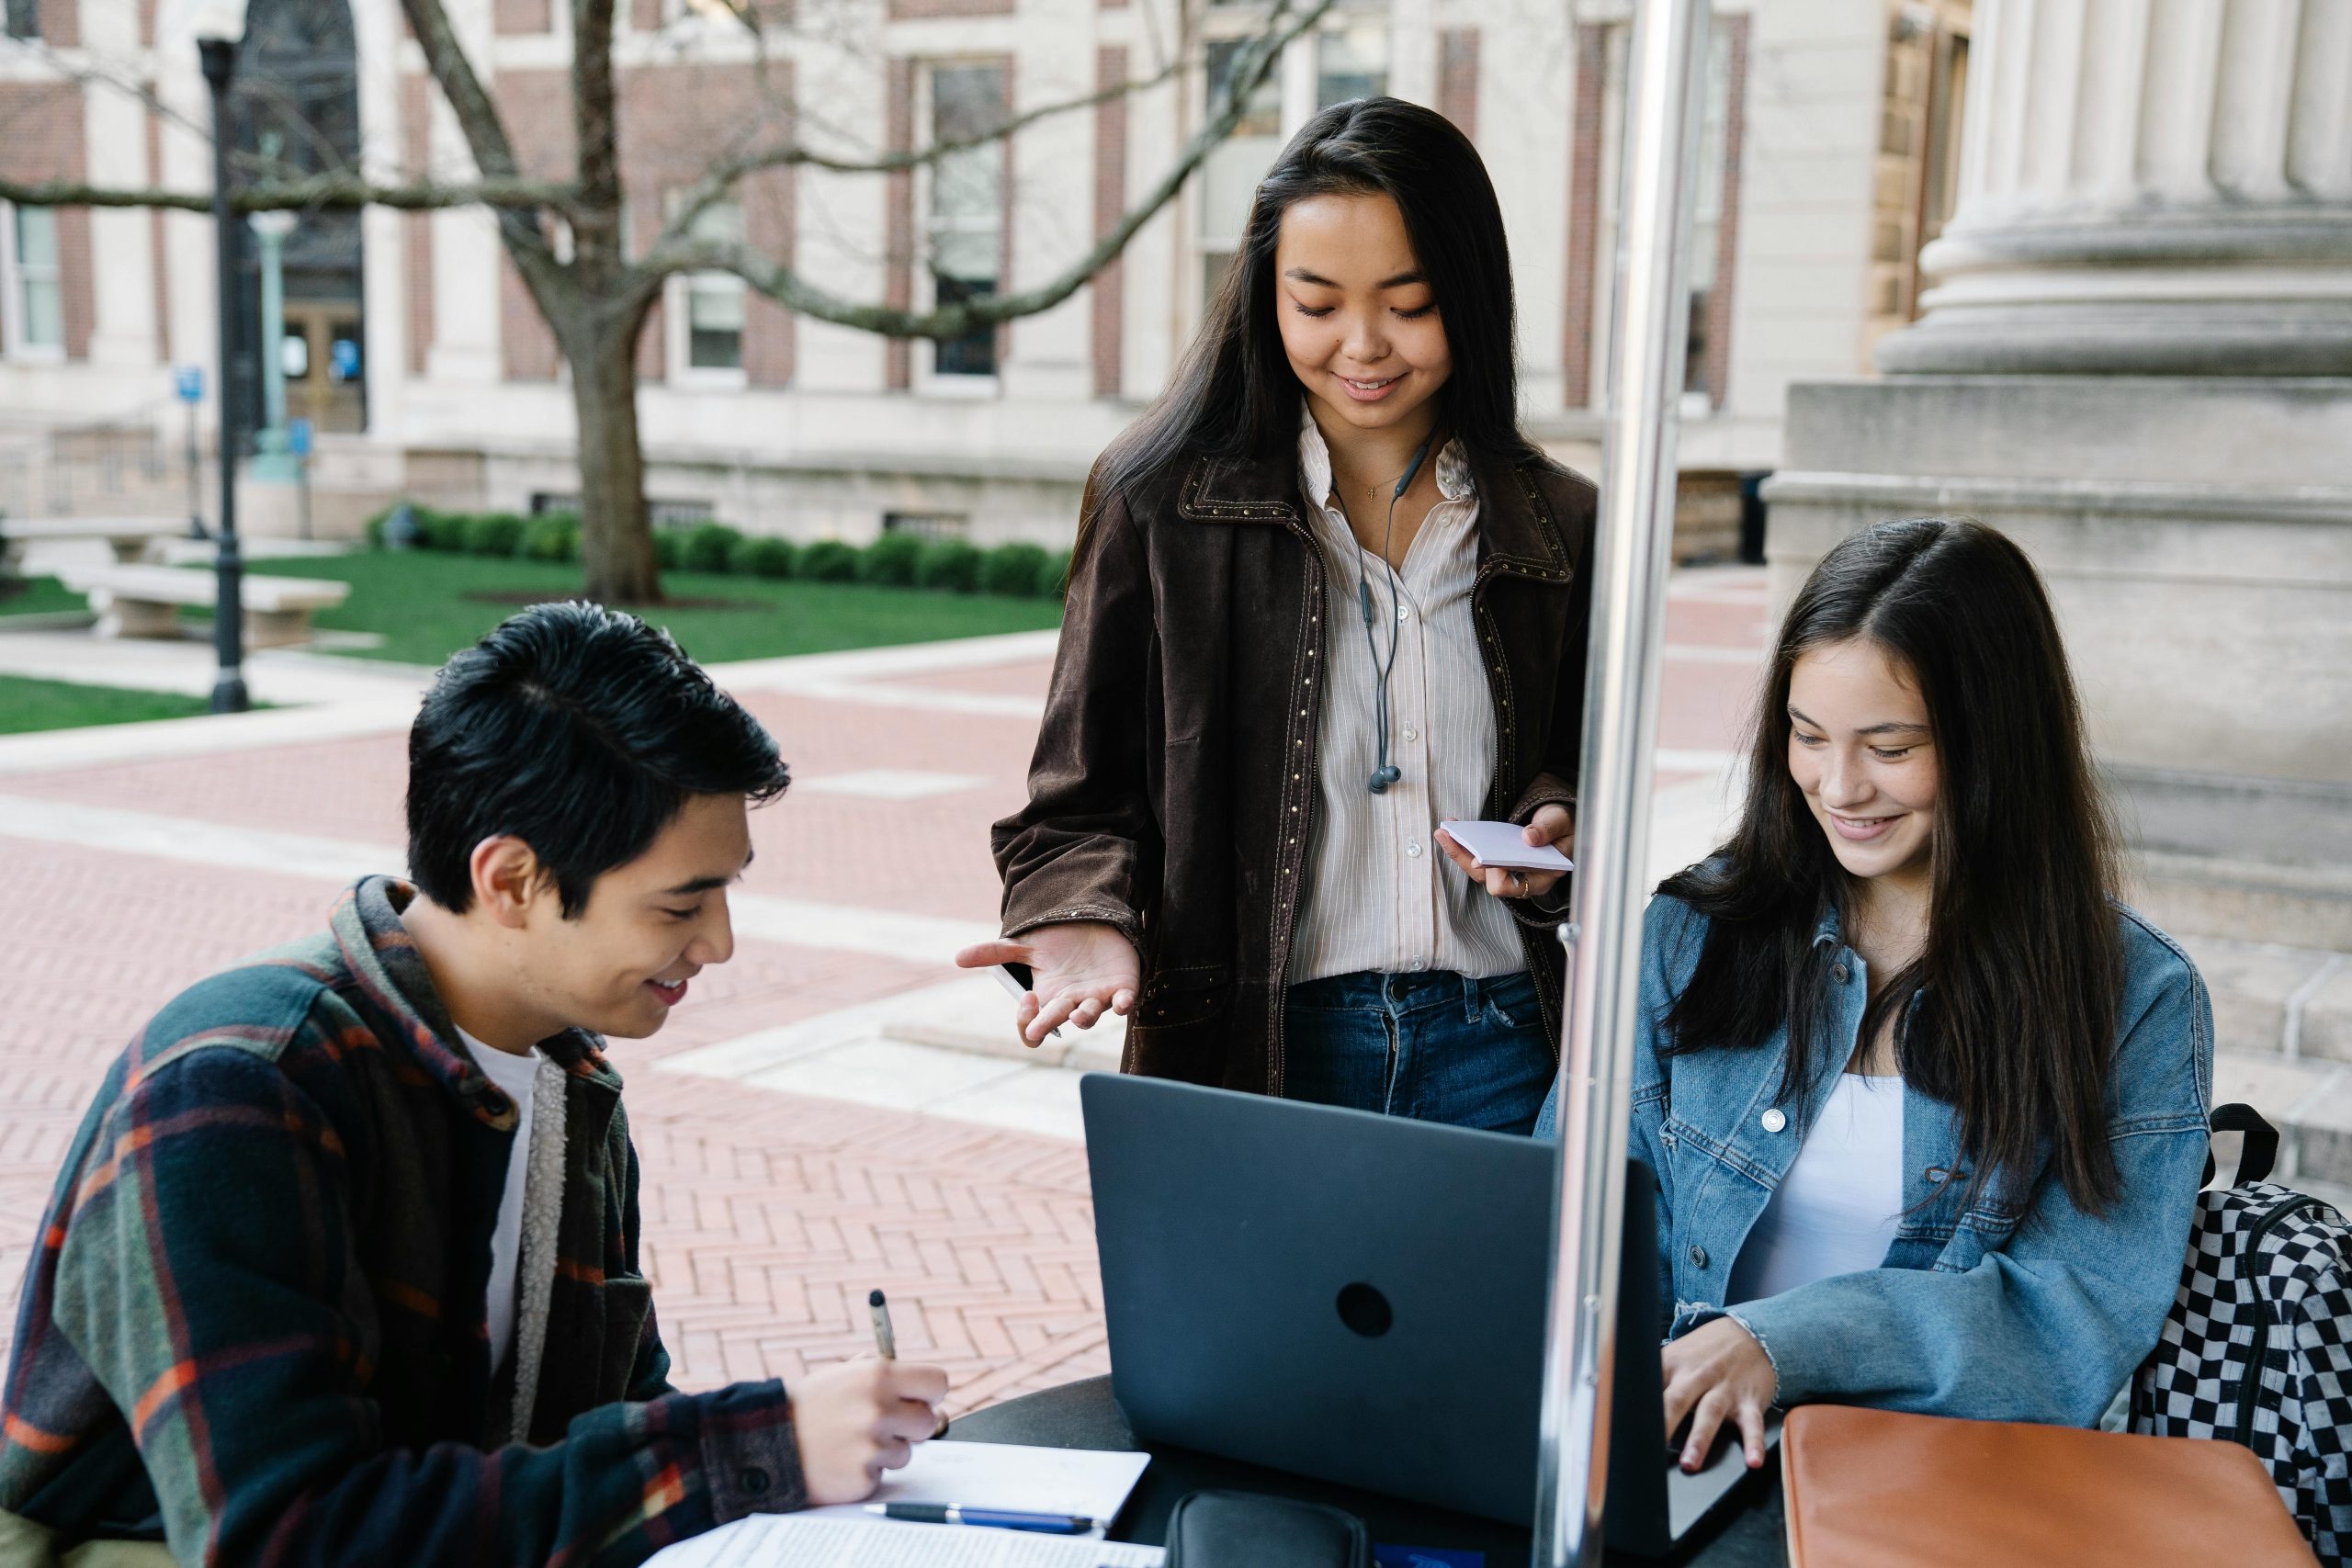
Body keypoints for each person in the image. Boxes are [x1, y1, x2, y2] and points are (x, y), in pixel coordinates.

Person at [0, 604, 948, 1565]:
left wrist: (818, 1450)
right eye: (679, 903)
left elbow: (607, 1425)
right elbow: (284, 1535)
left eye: (724, 891)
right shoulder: (240, 1089)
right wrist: (744, 1448)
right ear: (510, 879)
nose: (718, 944)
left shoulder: (567, 1079)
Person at [957, 97, 1597, 1133]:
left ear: (1473, 297)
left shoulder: (1559, 521)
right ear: (1265, 299)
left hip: (1504, 1044)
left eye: (1409, 302)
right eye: (1316, 303)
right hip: (1253, 1046)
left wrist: (1556, 818)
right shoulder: (1157, 502)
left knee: (1484, 1305)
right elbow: (1075, 798)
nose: (1363, 345)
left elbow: (1577, 759)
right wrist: (1083, 917)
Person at [1539, 518, 2211, 1474]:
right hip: (1676, 1446)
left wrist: (1780, 1343)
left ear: (1995, 742)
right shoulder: (1693, 929)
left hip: (1933, 1474)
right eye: (1808, 737)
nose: (1838, 786)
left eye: (1890, 748)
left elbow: (2072, 1315)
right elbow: (1576, 1198)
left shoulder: (2135, 996)